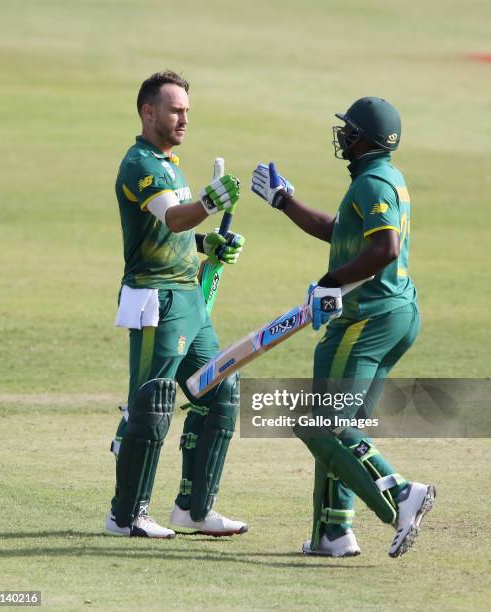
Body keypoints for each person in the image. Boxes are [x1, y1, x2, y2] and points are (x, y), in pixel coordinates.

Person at [250, 97, 435, 558]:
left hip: (366, 318)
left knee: (320, 424)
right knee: (345, 427)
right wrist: (285, 201)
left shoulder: (373, 183)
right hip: (393, 315)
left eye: (349, 129)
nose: (343, 135)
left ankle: (401, 494)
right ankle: (333, 532)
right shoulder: (384, 177)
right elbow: (341, 230)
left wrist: (330, 284)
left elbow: (386, 248)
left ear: (366, 138)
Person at [105, 70, 248, 539]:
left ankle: (195, 509)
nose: (184, 117)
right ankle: (125, 516)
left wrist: (210, 244)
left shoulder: (170, 163)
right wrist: (209, 201)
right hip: (155, 301)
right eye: (175, 109)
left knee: (221, 389)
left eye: (187, 109)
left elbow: (177, 232)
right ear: (149, 112)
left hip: (189, 298)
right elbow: (173, 215)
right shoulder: (140, 164)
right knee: (152, 403)